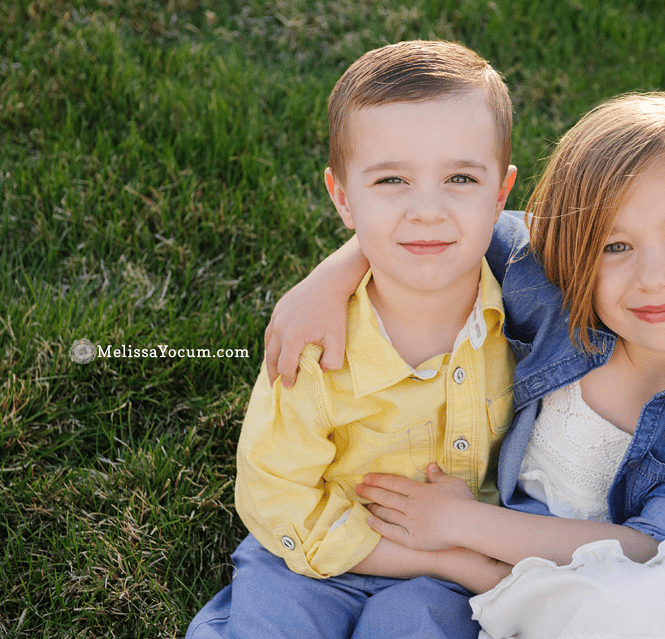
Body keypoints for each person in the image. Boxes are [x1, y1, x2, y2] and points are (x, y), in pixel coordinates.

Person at [264, 90, 665, 638]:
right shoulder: (544, 284)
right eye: (615, 246)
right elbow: (448, 225)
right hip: (505, 553)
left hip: (637, 583)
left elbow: (654, 549)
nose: (654, 277)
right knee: (405, 617)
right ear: (572, 254)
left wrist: (463, 523)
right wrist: (327, 280)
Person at [187, 40, 519, 639]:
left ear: (501, 194)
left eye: (460, 178)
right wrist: (454, 561)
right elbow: (277, 495)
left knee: (415, 627)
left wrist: (449, 566)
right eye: (391, 179)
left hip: (439, 583)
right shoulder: (315, 342)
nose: (427, 209)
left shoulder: (526, 313)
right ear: (343, 197)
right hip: (312, 560)